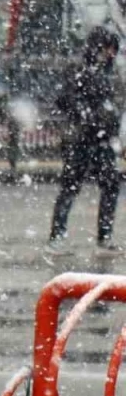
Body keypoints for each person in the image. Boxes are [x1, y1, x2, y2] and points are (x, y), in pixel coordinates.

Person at [50, 26, 123, 250]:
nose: (111, 54)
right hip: (82, 139)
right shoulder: (81, 71)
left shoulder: (106, 73)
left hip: (101, 139)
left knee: (109, 185)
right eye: (108, 49)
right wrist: (88, 117)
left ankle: (104, 234)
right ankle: (58, 236)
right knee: (71, 185)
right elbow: (66, 99)